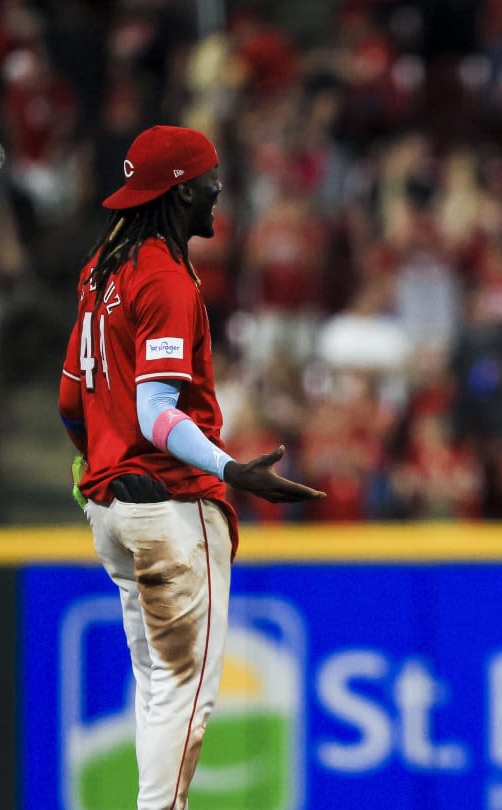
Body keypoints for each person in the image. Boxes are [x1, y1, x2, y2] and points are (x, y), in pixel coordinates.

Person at [56, 125, 325, 810]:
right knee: (186, 691)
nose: (217, 192)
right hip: (170, 505)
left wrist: (98, 473)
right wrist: (232, 470)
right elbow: (155, 412)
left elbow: (69, 400)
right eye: (208, 181)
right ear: (179, 192)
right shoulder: (165, 279)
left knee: (155, 683)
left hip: (115, 507)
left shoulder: (101, 269)